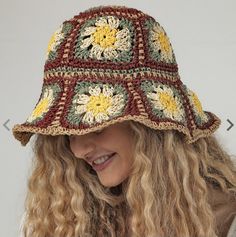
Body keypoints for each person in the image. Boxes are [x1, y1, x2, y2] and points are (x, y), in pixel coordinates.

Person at [12, 5, 236, 237]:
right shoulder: (63, 219)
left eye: (97, 126)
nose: (78, 150)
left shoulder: (226, 219)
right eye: (69, 133)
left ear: (148, 125)